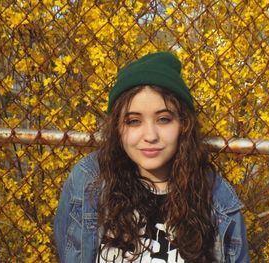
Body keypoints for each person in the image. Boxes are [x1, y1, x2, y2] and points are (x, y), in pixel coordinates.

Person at [54, 52, 249, 263]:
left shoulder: (218, 200)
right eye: (133, 121)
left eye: (163, 119)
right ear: (117, 128)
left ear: (183, 124)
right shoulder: (88, 184)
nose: (150, 136)